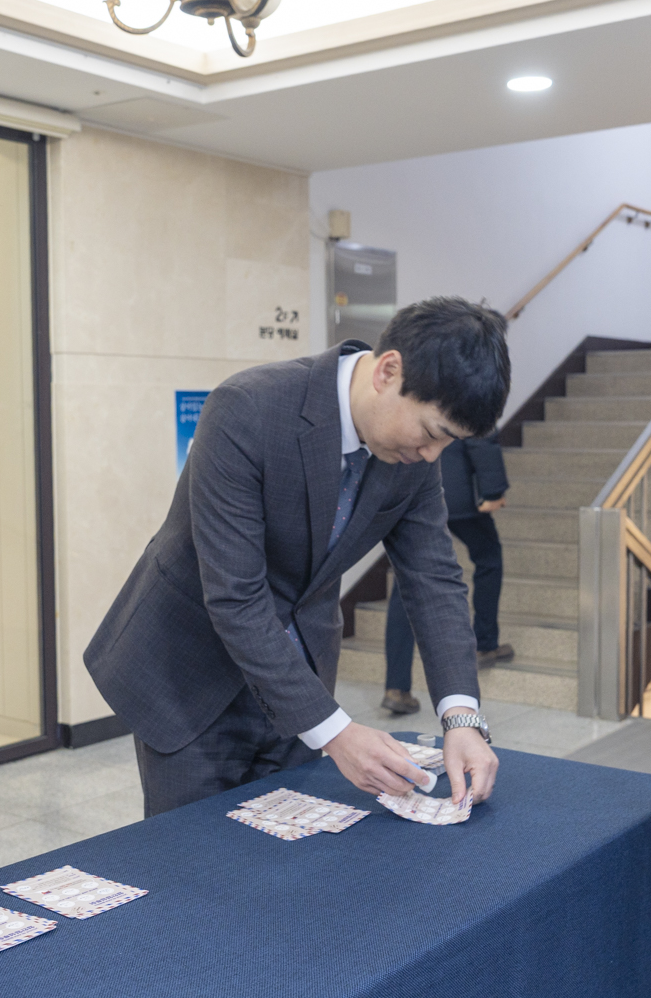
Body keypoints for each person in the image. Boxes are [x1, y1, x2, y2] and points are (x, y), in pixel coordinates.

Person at [85, 297, 510, 817]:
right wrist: (337, 734)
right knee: (197, 855)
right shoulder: (247, 409)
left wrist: (461, 718)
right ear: (388, 371)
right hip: (190, 676)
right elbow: (236, 596)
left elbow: (435, 580)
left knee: (286, 857)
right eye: (431, 433)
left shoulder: (411, 458)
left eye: (449, 444)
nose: (431, 456)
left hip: (301, 676)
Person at [381, 436, 511, 714]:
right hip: (457, 491)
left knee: (406, 581)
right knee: (489, 558)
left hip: (414, 490)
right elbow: (481, 434)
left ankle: (396, 688)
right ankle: (485, 643)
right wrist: (493, 490)